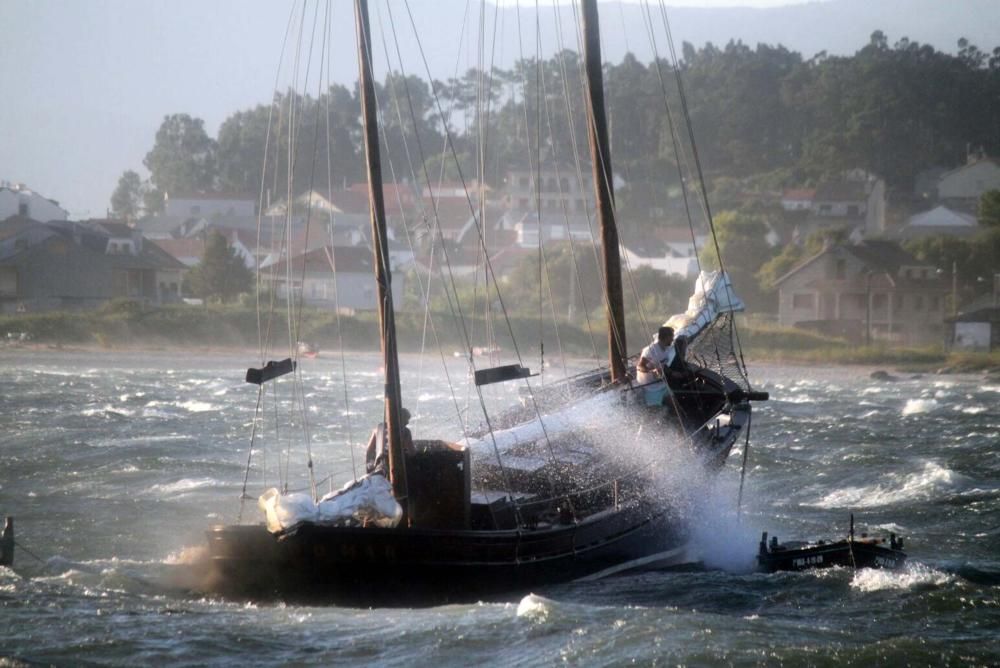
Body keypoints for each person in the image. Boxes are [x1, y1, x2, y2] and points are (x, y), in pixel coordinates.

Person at [365, 407, 414, 474]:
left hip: (379, 465)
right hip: (397, 466)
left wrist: (369, 467)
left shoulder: (379, 429)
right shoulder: (406, 432)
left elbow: (369, 450)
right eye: (406, 420)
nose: (407, 423)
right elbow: (412, 452)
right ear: (400, 419)